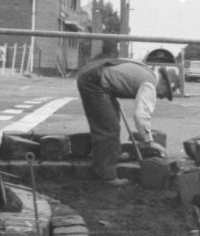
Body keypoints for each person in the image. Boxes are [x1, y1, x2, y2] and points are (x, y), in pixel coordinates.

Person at [76, 58, 177, 186]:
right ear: (163, 83)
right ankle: (106, 176)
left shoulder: (147, 72)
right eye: (165, 93)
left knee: (112, 118)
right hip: (94, 82)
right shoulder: (150, 84)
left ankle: (114, 154)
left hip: (97, 78)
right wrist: (149, 141)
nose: (161, 97)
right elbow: (141, 115)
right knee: (108, 128)